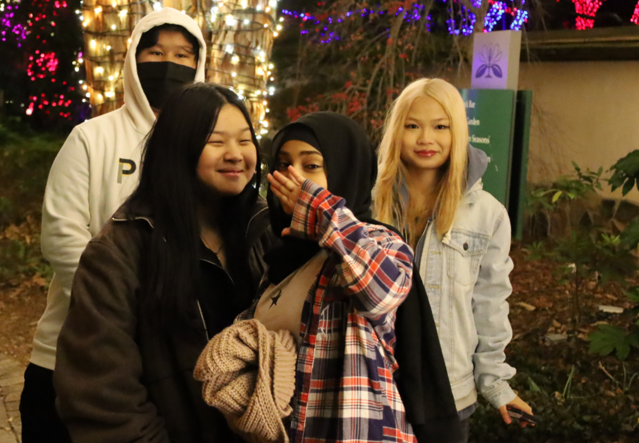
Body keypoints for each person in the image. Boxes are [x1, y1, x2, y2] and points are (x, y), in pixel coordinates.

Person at [20, 7, 207, 443]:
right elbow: (62, 237)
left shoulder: (208, 147)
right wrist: (124, 306)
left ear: (199, 65)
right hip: (71, 355)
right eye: (156, 52)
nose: (170, 64)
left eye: (183, 55)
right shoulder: (91, 138)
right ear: (132, 60)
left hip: (169, 363)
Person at [52, 83, 274, 443]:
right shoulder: (118, 252)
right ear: (177, 149)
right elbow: (102, 396)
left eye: (245, 140)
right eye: (216, 141)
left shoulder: (269, 231)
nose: (235, 154)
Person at [198, 112, 418, 442]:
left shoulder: (377, 241)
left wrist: (320, 208)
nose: (294, 177)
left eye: (311, 166)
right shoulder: (282, 254)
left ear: (345, 169)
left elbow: (382, 295)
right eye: (283, 164)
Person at [374, 78, 534, 441]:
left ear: (458, 132)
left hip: (449, 391)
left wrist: (495, 384)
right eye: (413, 125)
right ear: (397, 130)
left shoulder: (487, 215)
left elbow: (490, 305)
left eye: (440, 126)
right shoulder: (370, 201)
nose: (425, 138)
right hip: (372, 383)